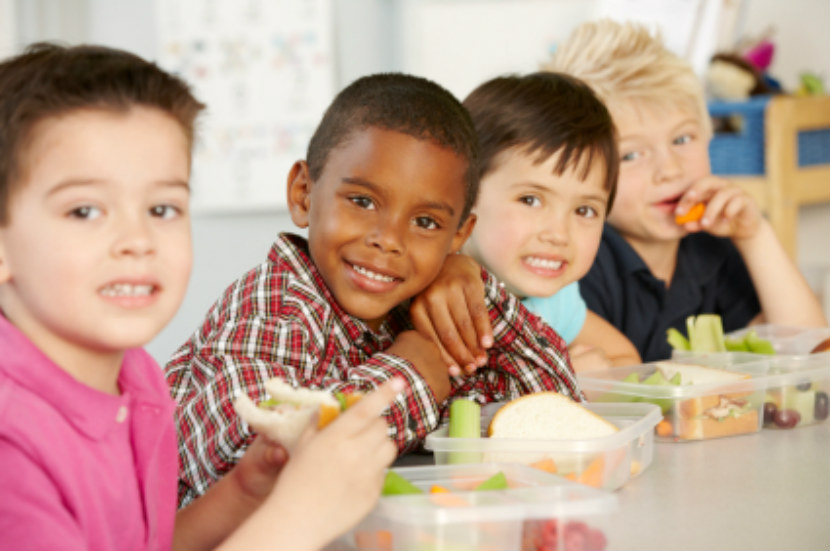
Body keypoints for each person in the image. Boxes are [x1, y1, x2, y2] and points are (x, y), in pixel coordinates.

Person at [0, 42, 403, 551]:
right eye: (85, 211)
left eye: (162, 209)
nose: (137, 240)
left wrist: (244, 492)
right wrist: (299, 517)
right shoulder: (10, 444)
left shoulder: (138, 379)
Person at [165, 72, 583, 506]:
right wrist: (409, 379)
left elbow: (560, 416)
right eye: (363, 202)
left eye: (426, 223)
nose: (389, 240)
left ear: (459, 234)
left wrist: (473, 284)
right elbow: (252, 460)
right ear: (304, 194)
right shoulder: (274, 305)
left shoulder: (416, 307)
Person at [545, 19, 828, 361]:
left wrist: (755, 237)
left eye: (682, 139)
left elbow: (813, 354)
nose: (670, 170)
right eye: (631, 154)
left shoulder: (710, 244)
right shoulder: (582, 260)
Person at [409, 71, 641, 373]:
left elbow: (627, 360)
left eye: (584, 210)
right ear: (462, 196)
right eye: (530, 200)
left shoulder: (556, 302)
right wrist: (559, 380)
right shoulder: (432, 288)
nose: (559, 234)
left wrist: (576, 377)